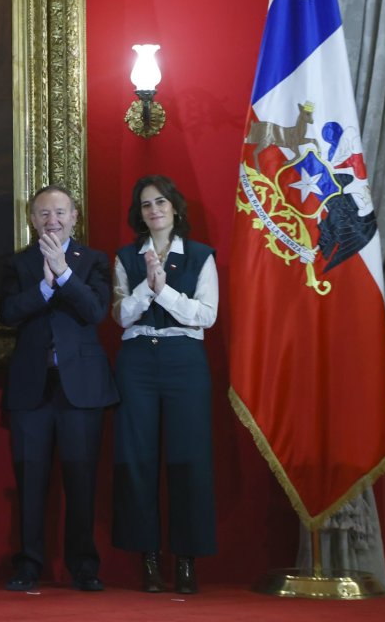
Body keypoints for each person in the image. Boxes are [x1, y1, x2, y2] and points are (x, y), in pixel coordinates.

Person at [0, 186, 117, 592]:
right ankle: (29, 565)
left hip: (81, 389)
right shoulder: (18, 263)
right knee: (30, 480)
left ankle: (83, 566)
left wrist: (64, 274)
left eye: (60, 213)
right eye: (44, 214)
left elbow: (96, 310)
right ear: (32, 220)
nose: (53, 220)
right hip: (31, 389)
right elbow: (7, 312)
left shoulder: (93, 260)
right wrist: (44, 288)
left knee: (81, 479)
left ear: (74, 216)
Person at [111, 175, 218, 594]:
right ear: (138, 214)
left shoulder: (200, 256)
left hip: (183, 359)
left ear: (175, 207)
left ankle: (186, 559)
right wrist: (147, 286)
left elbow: (206, 315)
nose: (153, 210)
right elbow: (121, 314)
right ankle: (149, 558)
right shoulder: (126, 257)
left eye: (160, 202)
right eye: (145, 205)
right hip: (137, 361)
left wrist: (165, 291)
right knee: (136, 458)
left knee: (189, 456)